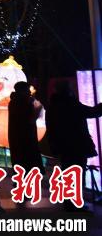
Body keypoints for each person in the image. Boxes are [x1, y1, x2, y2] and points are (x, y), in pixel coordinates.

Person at [46, 79, 102, 210]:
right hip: (77, 145)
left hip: (63, 146)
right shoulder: (70, 103)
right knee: (77, 174)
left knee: (68, 173)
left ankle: (69, 203)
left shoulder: (53, 105)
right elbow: (91, 112)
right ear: (68, 90)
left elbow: (50, 128)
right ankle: (75, 203)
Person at [8, 82, 43, 172]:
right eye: (27, 90)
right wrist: (38, 109)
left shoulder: (14, 101)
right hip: (25, 139)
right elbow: (30, 120)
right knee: (27, 165)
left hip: (18, 139)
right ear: (22, 91)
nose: (30, 92)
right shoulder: (22, 102)